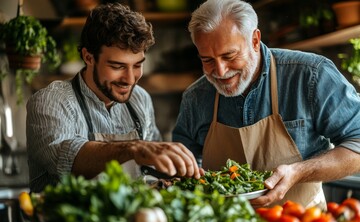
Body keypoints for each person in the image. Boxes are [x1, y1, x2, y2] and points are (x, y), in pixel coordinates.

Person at [172, 0, 360, 209]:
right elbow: (183, 166)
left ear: (254, 40)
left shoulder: (310, 75)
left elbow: (357, 143)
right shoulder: (195, 97)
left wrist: (299, 172)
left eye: (229, 56)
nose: (220, 71)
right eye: (207, 60)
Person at [26, 3, 201, 193]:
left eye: (137, 65)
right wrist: (134, 149)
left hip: (126, 220)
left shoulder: (139, 99)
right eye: (117, 66)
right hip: (65, 219)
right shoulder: (51, 101)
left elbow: (152, 164)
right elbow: (66, 160)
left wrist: (177, 169)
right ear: (88, 57)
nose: (130, 79)